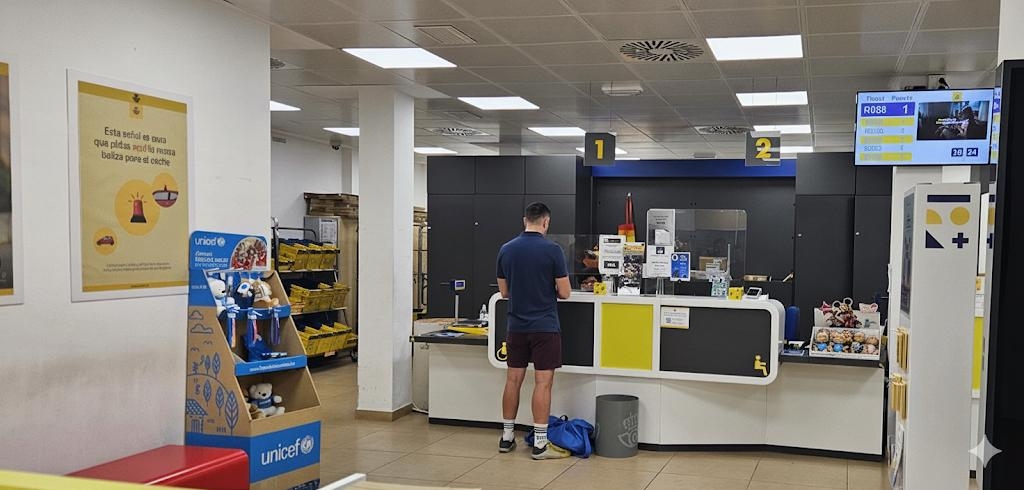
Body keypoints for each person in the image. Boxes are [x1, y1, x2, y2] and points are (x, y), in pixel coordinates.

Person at [495, 202, 572, 459]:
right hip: (545, 327)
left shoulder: (506, 249)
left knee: (513, 380)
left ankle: (507, 437)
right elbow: (565, 292)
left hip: (516, 326)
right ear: (546, 222)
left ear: (524, 220)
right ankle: (540, 443)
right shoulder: (553, 250)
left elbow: (504, 292)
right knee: (543, 383)